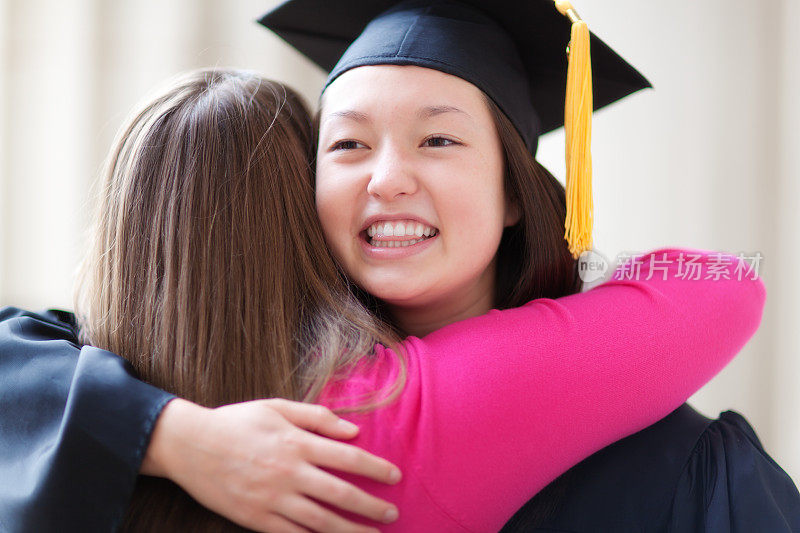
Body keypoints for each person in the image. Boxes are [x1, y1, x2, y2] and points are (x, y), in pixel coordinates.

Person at [0, 2, 782, 533]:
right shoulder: (175, 377)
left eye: (437, 140)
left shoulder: (683, 463)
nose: (387, 178)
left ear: (517, 192)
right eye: (346, 144)